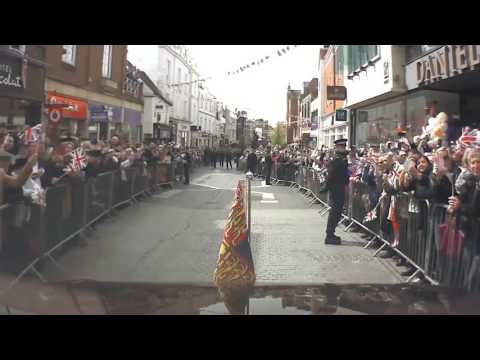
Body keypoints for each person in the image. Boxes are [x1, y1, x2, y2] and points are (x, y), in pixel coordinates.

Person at [325, 139, 349, 245]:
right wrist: (327, 187)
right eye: (341, 146)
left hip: (339, 188)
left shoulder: (341, 158)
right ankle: (329, 235)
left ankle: (331, 233)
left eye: (344, 146)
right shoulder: (337, 159)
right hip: (336, 189)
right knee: (335, 212)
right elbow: (331, 175)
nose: (344, 148)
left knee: (337, 212)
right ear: (337, 147)